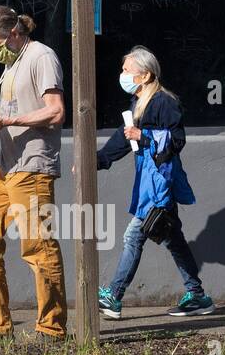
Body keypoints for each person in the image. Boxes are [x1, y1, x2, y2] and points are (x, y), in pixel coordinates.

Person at [87, 46, 214, 320]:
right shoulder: (138, 103)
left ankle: (114, 295)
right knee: (173, 239)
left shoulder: (164, 102)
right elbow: (124, 141)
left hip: (160, 184)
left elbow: (176, 140)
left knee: (134, 236)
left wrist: (143, 135)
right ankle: (198, 295)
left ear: (144, 76)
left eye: (126, 70)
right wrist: (94, 160)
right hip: (150, 181)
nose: (122, 74)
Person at [0, 6, 67, 342]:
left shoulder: (41, 57)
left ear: (12, 32)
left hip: (33, 165)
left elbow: (55, 112)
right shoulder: (12, 65)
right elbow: (14, 110)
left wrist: (7, 122)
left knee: (38, 245)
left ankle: (51, 328)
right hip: (5, 165)